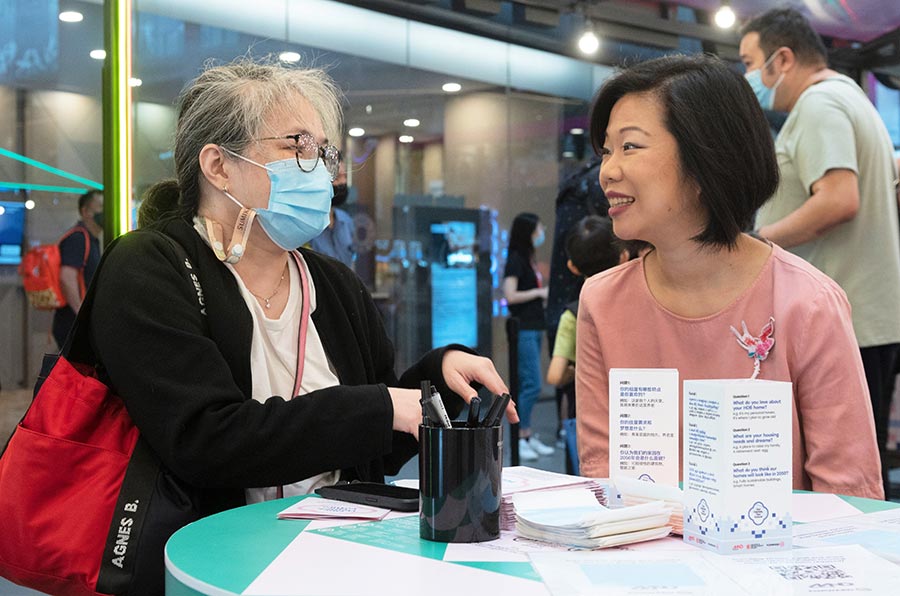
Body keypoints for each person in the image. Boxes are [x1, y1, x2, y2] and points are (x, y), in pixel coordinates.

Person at [84, 58, 516, 592]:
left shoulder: (332, 284)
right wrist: (380, 406)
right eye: (296, 145)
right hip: (207, 568)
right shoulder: (151, 267)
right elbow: (204, 440)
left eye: (324, 151)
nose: (324, 171)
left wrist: (438, 377)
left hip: (342, 564)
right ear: (219, 166)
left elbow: (372, 441)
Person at [576, 53, 883, 499]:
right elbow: (602, 477)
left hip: (776, 561)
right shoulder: (602, 302)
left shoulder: (806, 302)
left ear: (705, 160)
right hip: (644, 560)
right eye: (606, 150)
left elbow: (851, 497)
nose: (608, 170)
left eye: (630, 146)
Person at [740, 8, 900, 499]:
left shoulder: (819, 105)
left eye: (750, 61)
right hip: (866, 313)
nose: (748, 74)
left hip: (847, 319)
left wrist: (759, 242)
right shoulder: (850, 98)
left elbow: (838, 198)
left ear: (782, 58)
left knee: (840, 482)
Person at [546, 215, 626, 388]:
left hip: (591, 404)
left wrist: (575, 372)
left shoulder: (574, 314)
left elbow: (554, 376)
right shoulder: (636, 305)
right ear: (623, 256)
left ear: (572, 267)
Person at [503, 212, 554, 461]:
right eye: (537, 230)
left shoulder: (528, 258)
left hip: (534, 326)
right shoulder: (515, 260)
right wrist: (538, 293)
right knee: (531, 383)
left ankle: (527, 434)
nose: (540, 233)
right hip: (522, 327)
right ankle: (521, 435)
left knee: (530, 382)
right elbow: (510, 296)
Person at [52, 189, 103, 348]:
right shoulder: (78, 238)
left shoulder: (91, 239)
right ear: (85, 211)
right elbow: (67, 278)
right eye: (101, 207)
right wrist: (82, 315)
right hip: (71, 325)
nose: (105, 212)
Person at [310, 157, 355, 267]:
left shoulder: (346, 220)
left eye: (345, 177)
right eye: (337, 177)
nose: (343, 182)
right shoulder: (307, 224)